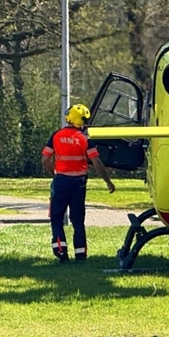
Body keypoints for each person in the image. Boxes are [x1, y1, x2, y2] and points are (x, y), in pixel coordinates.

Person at [41, 104, 115, 263]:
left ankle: (61, 253)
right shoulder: (85, 139)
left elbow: (45, 159)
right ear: (81, 121)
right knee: (78, 220)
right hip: (79, 183)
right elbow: (96, 162)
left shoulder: (56, 136)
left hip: (61, 181)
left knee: (56, 218)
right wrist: (108, 181)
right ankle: (81, 255)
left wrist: (54, 173)